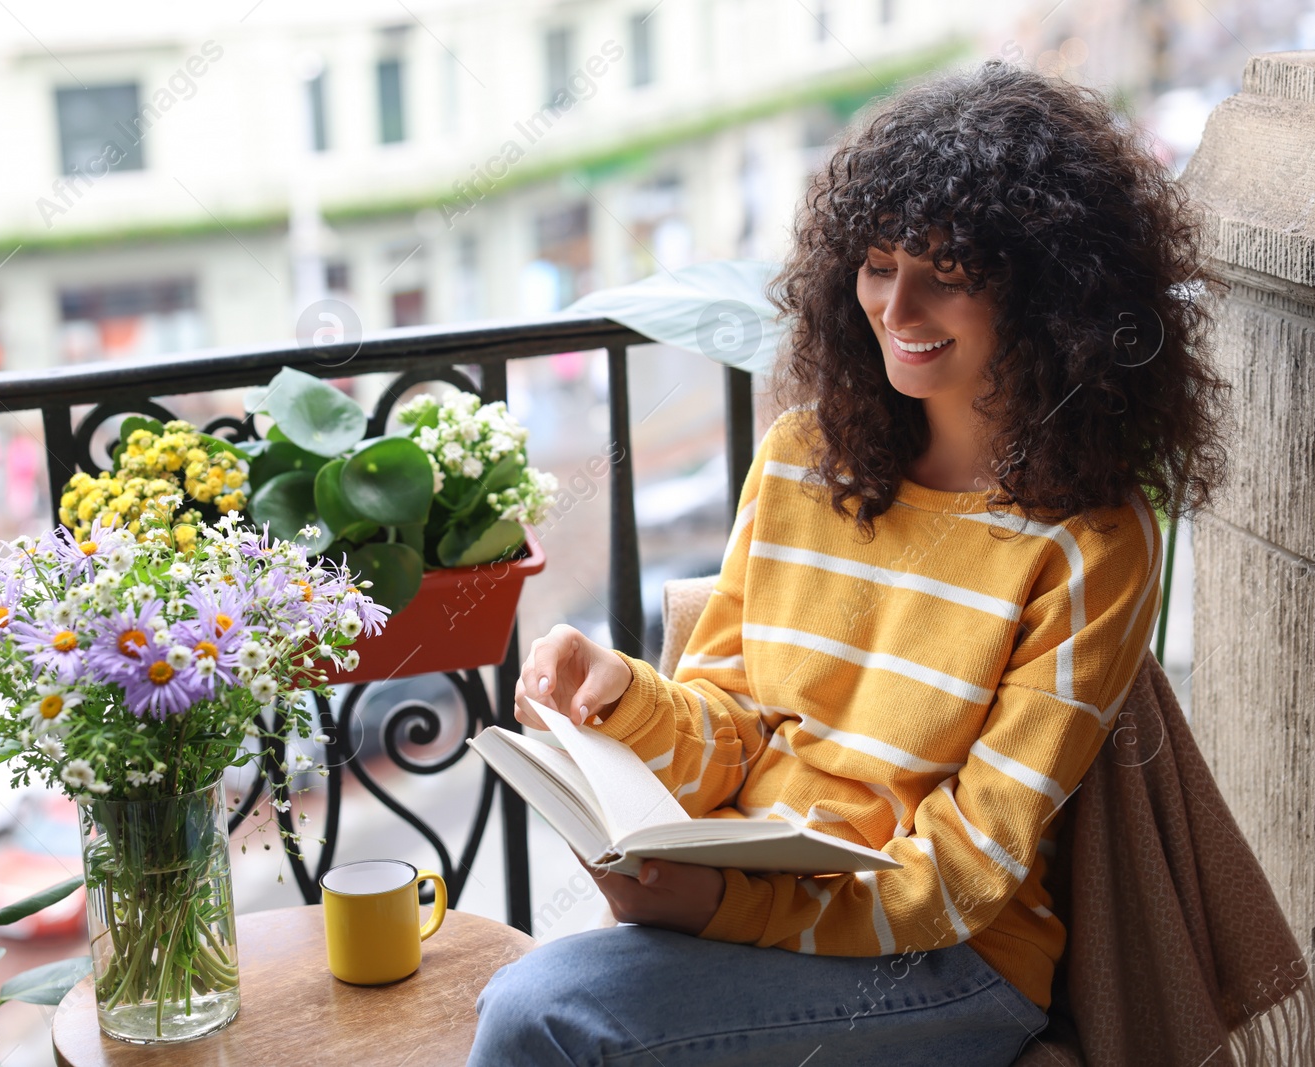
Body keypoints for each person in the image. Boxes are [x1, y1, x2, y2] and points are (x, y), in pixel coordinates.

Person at [468, 60, 1230, 1067]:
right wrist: (623, 697)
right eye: (876, 264)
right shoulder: (799, 457)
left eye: (946, 275)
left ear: (1054, 297)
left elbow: (967, 868)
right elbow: (728, 737)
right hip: (763, 905)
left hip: (950, 961)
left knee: (542, 1010)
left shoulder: (1087, 542)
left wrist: (722, 906)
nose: (896, 306)